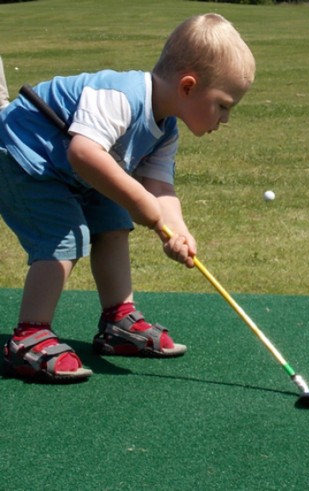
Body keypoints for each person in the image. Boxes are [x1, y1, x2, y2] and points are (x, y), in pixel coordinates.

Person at [0, 14, 256, 383]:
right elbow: (84, 154)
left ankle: (119, 321)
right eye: (223, 105)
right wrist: (145, 208)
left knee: (113, 222)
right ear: (187, 87)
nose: (226, 119)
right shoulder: (120, 98)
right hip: (21, 155)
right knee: (65, 234)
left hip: (66, 168)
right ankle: (29, 338)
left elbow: (160, 188)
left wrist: (175, 231)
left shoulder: (165, 130)